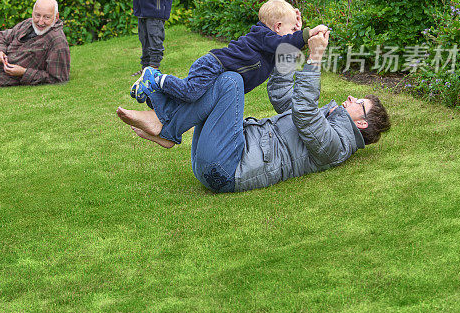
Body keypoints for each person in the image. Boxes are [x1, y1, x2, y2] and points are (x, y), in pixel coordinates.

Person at [116, 30, 391, 193]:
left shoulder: (337, 146)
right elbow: (284, 98)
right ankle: (166, 126)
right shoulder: (328, 123)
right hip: (221, 157)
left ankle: (167, 126)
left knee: (232, 81)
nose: (352, 97)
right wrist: (288, 44)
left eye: (360, 103)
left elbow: (304, 114)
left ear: (362, 123)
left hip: (226, 169)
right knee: (226, 80)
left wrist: (315, 58)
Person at [131, 0, 328, 103]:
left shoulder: (270, 45)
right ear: (277, 27)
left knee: (194, 100)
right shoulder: (263, 36)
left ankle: (152, 94)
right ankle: (154, 76)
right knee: (191, 92)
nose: (293, 32)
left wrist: (298, 30)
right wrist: (306, 33)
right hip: (213, 65)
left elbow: (286, 53)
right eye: (290, 28)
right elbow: (283, 44)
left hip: (218, 70)